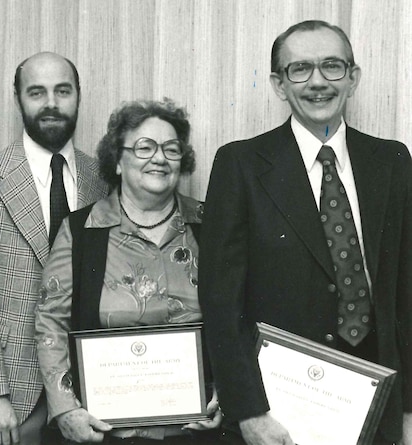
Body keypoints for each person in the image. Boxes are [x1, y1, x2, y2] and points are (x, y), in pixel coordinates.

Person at [199, 20, 411, 445]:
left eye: (332, 66)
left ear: (353, 78)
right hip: (280, 410)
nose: (318, 82)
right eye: (300, 69)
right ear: (279, 84)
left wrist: (408, 409)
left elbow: (406, 290)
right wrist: (248, 412)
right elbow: (221, 305)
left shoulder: (393, 160)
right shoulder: (240, 164)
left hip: (380, 403)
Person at [35, 99, 222, 444]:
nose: (160, 158)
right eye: (144, 147)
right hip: (104, 433)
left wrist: (228, 395)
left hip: (195, 431)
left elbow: (236, 318)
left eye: (171, 148)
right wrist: (64, 409)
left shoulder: (211, 226)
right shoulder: (80, 231)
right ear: (117, 161)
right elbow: (51, 323)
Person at [0, 51, 108, 445]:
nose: (51, 103)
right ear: (18, 99)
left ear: (78, 97)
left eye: (62, 91)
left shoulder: (102, 179)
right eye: (37, 92)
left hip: (93, 390)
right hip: (11, 395)